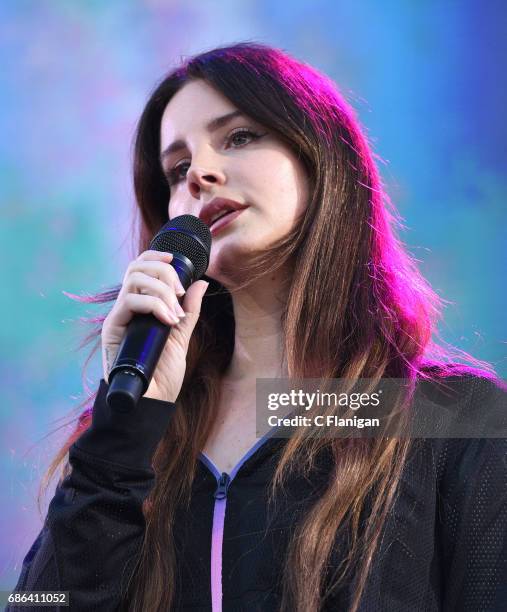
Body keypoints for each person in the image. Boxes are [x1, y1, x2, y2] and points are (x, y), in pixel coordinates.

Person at [10, 42, 507, 612]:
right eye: (176, 169)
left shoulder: (450, 418)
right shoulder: (143, 433)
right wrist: (123, 434)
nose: (199, 173)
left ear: (319, 156)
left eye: (239, 137)